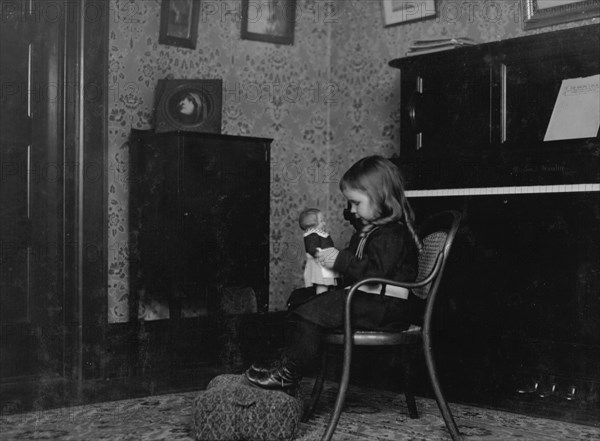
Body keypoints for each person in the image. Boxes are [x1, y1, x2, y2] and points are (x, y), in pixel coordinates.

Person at [245, 155, 423, 392]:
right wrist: (331, 267)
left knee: (314, 311)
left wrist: (340, 259)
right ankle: (286, 361)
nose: (351, 210)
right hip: (369, 299)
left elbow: (375, 273)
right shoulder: (368, 232)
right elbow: (355, 271)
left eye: (356, 203)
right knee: (302, 299)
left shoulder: (392, 234)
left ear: (380, 198)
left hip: (387, 306)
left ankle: (289, 372)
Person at [299, 208, 337, 295]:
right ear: (311, 224)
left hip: (326, 261)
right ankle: (320, 299)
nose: (324, 223)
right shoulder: (311, 235)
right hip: (320, 264)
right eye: (321, 221)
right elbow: (311, 247)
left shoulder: (318, 233)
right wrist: (317, 253)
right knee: (322, 284)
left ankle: (324, 298)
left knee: (326, 284)